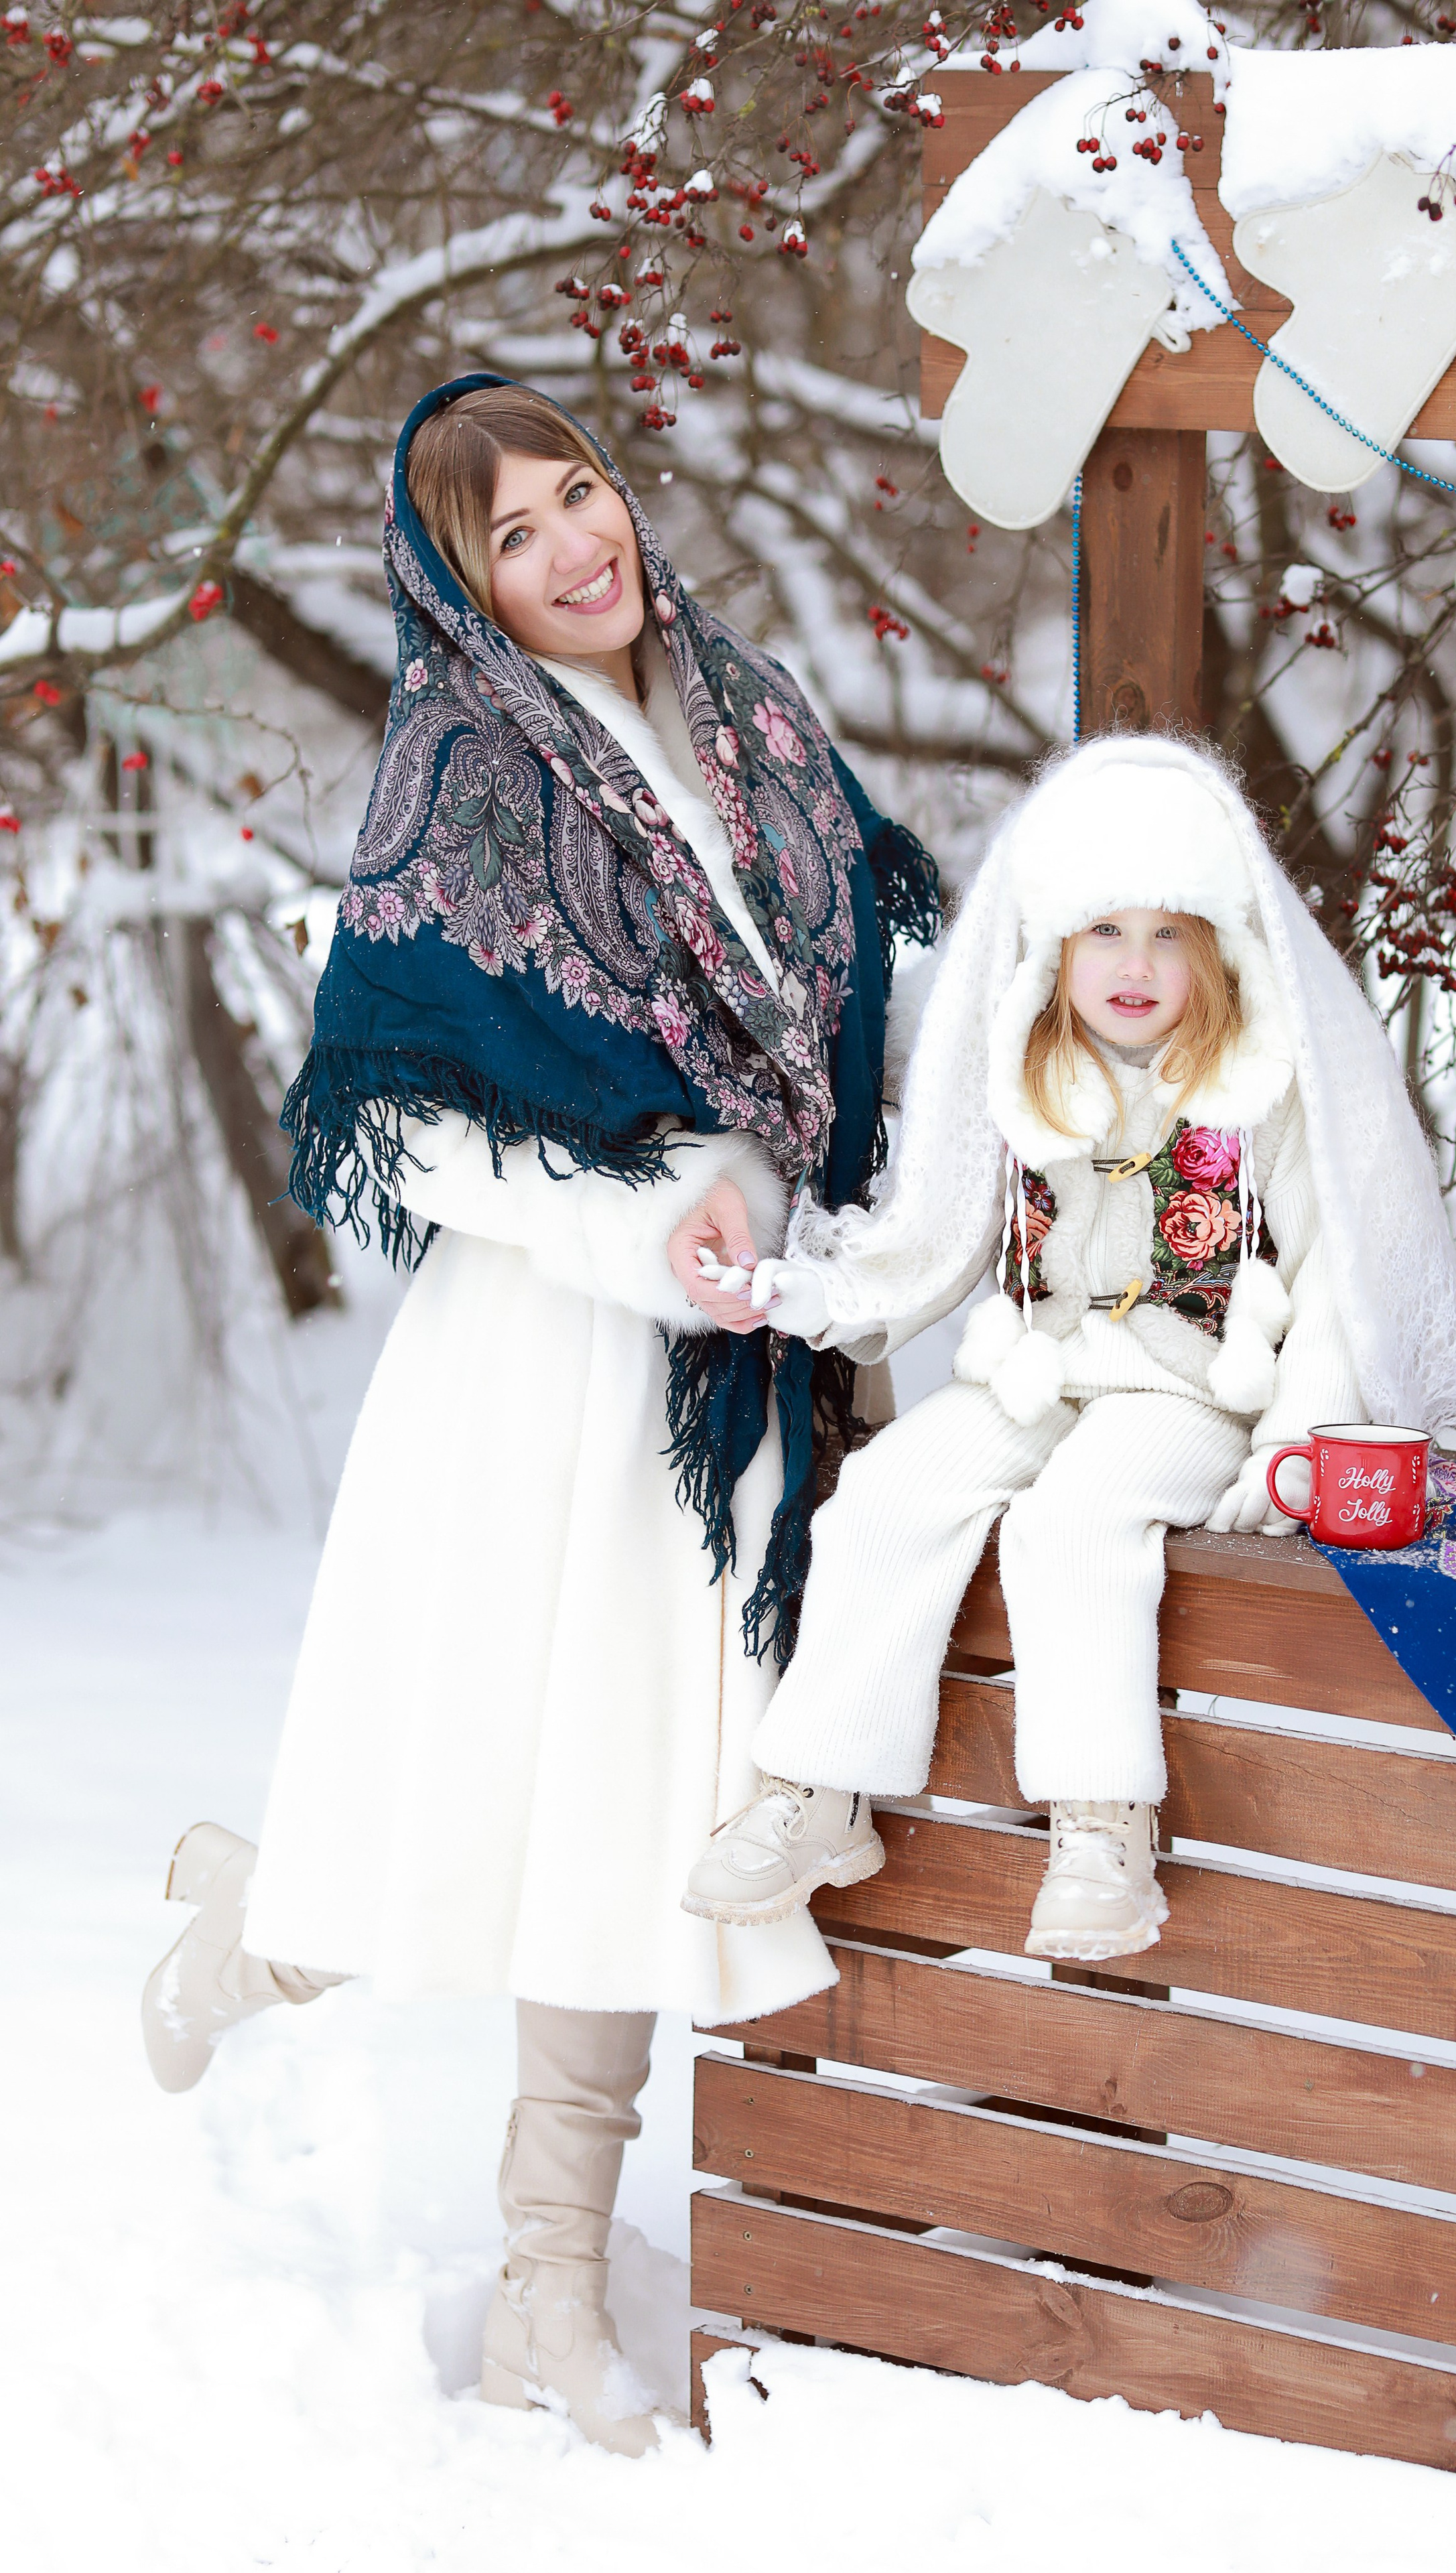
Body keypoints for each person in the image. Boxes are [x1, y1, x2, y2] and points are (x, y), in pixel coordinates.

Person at [139, 377, 938, 2452]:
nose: (576, 546)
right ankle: (477, 2216)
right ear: (461, 587)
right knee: (537, 1804)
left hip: (750, 1377)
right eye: (513, 535)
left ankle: (523, 2266)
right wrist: (653, 1212)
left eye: (581, 491)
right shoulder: (462, 771)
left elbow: (865, 990)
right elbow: (413, 1127)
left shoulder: (749, 711)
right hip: (562, 1372)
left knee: (626, 1828)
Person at [681, 734, 1456, 1961]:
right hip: (1038, 1365)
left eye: (1170, 933)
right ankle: (818, 1791)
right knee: (888, 1494)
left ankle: (1102, 1823)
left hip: (1192, 1384)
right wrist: (808, 1289)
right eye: (1104, 932)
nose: (1136, 965)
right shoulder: (1027, 1066)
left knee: (1078, 1525)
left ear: (1219, 942)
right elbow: (941, 1235)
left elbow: (1338, 1277)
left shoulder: (1261, 1080)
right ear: (1054, 942)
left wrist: (1295, 1443)